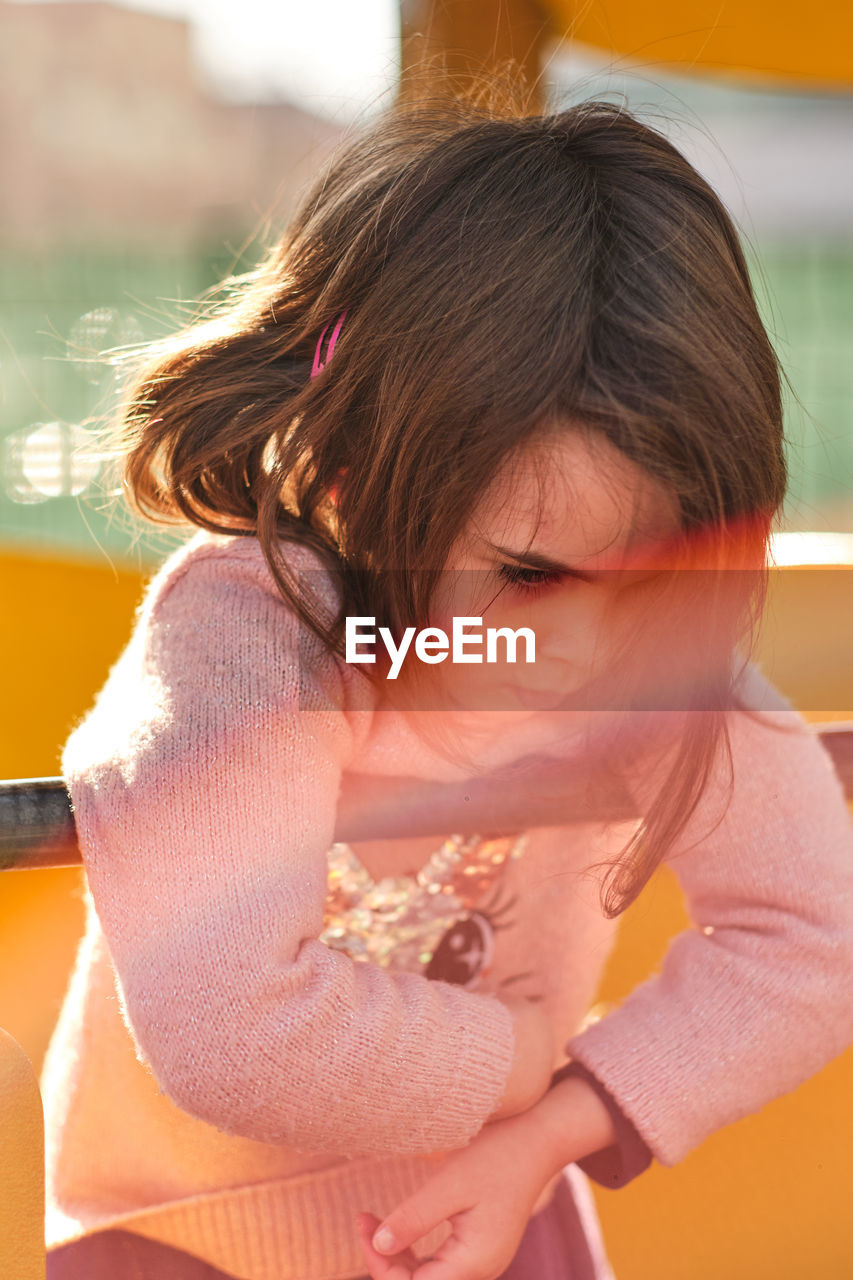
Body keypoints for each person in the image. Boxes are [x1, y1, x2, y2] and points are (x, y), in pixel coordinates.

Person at [42, 96, 853, 1280]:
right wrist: (522, 1057)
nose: (584, 651)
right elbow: (232, 1025)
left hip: (501, 1215)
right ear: (356, 464)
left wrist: (550, 1129)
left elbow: (812, 936)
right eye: (527, 575)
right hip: (190, 1244)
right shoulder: (253, 641)